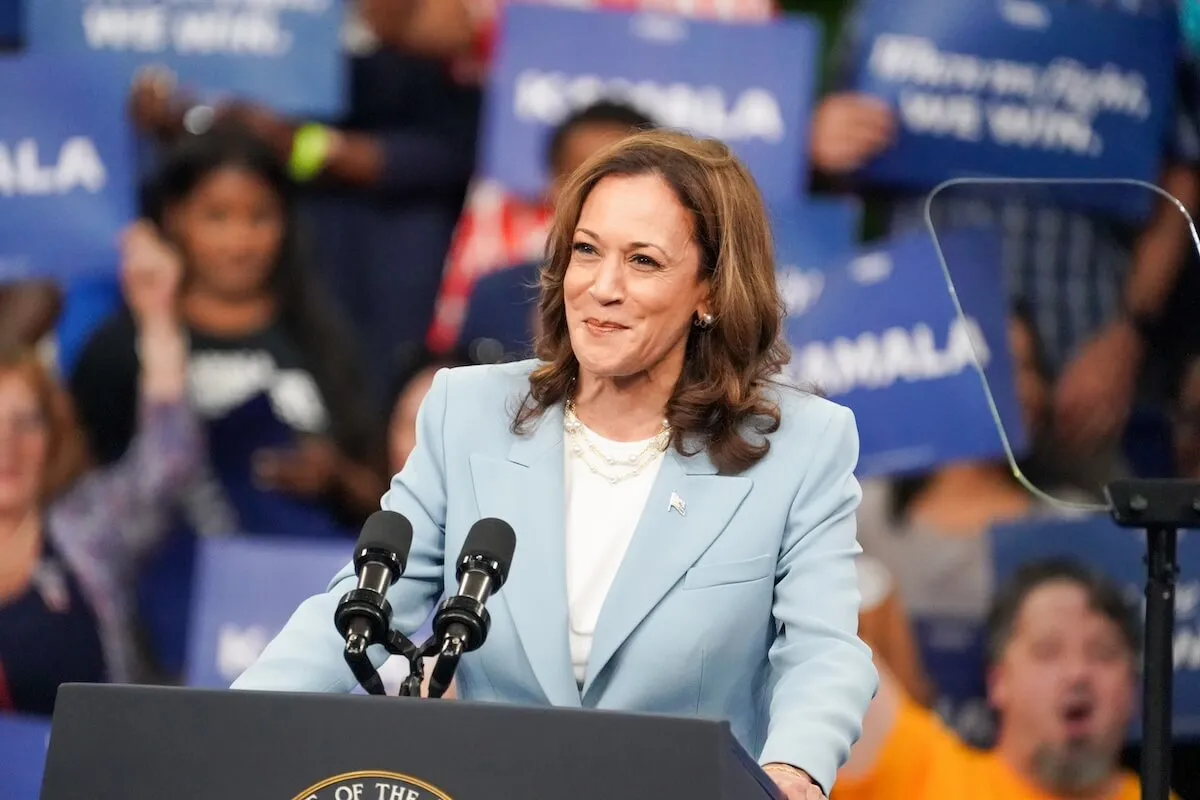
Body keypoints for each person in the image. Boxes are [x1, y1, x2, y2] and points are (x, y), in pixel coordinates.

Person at [232, 130, 878, 799]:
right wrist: (232, 727)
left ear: (709, 291)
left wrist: (794, 771)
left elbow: (822, 650)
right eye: (587, 251)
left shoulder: (801, 446)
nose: (603, 287)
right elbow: (358, 607)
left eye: (644, 262)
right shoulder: (470, 411)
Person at [812, 0, 1200, 484]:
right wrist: (818, 145)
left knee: (1098, 552)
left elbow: (1178, 180)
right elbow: (829, 177)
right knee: (895, 552)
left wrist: (1129, 334)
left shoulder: (1138, 13)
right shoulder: (894, 11)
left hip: (1085, 372)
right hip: (918, 361)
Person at [69, 128, 388, 680]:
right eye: (216, 217)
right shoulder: (124, 346)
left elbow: (384, 493)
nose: (240, 241)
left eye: (259, 217)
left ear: (285, 223)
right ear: (174, 219)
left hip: (301, 622)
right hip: (164, 633)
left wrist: (333, 476)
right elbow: (79, 494)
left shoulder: (324, 340)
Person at [0, 223, 200, 711]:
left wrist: (156, 316)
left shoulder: (86, 527)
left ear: (53, 436)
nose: (8, 445)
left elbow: (168, 462)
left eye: (26, 423)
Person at [835, 559, 1165, 800]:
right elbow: (819, 636)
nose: (1077, 673)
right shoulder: (923, 769)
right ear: (998, 681)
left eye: (1103, 653)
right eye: (1048, 650)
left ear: (1135, 689)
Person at [428, 100, 657, 354]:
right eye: (579, 177)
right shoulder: (497, 294)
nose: (598, 196)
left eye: (619, 181)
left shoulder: (675, 299)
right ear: (552, 187)